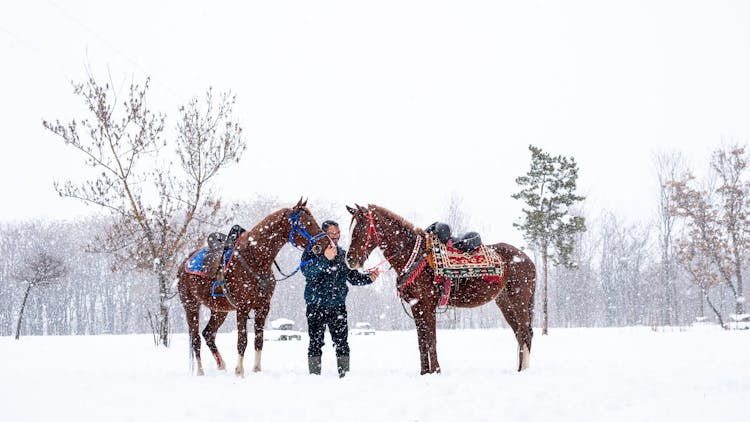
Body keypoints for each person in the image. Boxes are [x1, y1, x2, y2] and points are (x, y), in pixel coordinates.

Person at [300, 219, 380, 377]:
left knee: (342, 344)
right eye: (332, 233)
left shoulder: (342, 254)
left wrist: (369, 278)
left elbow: (352, 277)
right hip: (315, 306)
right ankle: (314, 378)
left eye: (337, 233)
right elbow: (307, 272)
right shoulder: (312, 251)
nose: (336, 236)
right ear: (324, 234)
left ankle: (345, 377)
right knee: (315, 343)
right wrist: (325, 259)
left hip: (337, 306)